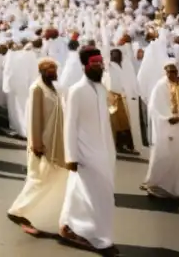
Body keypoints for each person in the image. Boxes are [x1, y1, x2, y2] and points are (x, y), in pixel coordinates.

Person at [59, 47, 117, 256]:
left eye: (100, 64)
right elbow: (70, 125)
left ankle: (69, 225)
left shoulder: (101, 89)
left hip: (104, 151)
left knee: (90, 192)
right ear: (85, 66)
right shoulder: (76, 90)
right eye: (94, 64)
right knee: (94, 195)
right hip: (84, 152)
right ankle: (98, 238)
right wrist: (71, 156)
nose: (99, 67)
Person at [8, 58, 67, 237]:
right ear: (44, 71)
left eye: (56, 68)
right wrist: (36, 144)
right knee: (39, 179)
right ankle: (18, 211)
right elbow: (34, 118)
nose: (55, 72)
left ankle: (33, 213)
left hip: (55, 142)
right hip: (42, 144)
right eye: (52, 69)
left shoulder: (53, 88)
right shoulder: (37, 89)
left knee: (49, 179)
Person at [142, 61, 179, 199]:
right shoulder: (160, 86)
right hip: (164, 126)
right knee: (162, 155)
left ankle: (175, 189)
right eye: (169, 71)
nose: (172, 74)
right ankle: (156, 185)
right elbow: (154, 107)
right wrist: (167, 118)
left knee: (178, 158)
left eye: (174, 72)